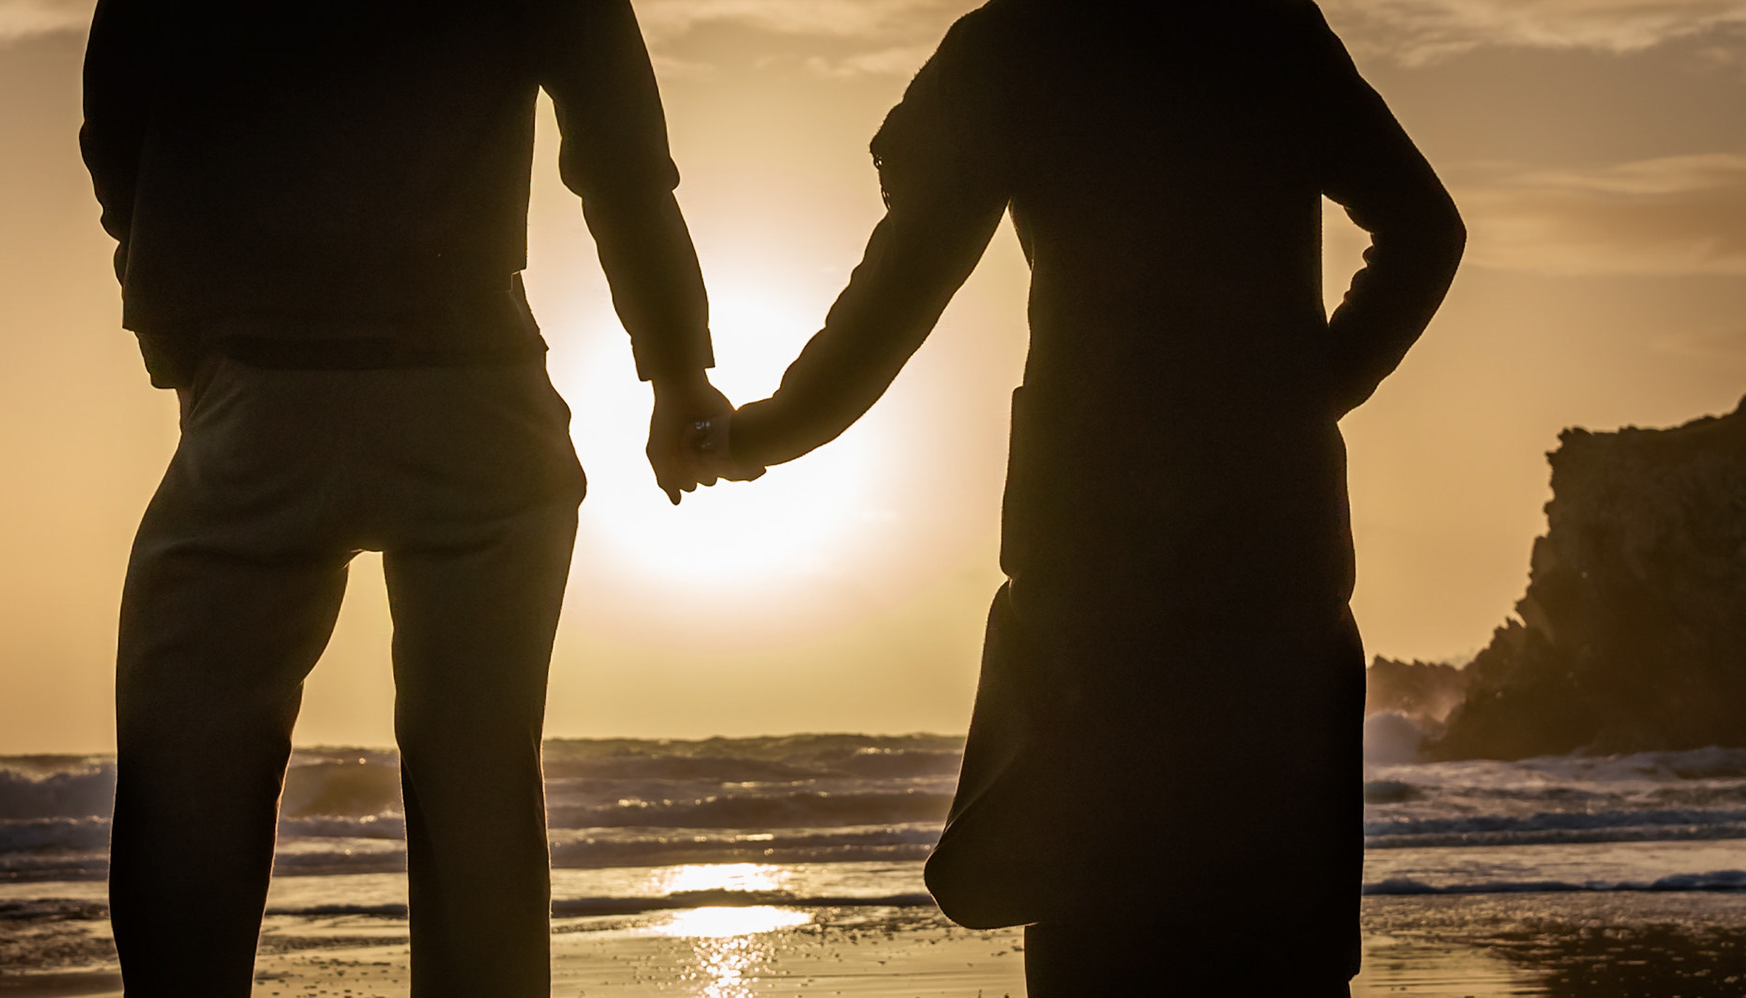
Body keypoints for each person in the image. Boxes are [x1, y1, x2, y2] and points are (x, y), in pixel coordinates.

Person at [703, 0, 1464, 991]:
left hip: (1093, 563)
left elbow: (903, 283)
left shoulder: (1020, 44)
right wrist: (1307, 393)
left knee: (1100, 943)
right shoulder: (1265, 25)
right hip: (1273, 549)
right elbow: (1425, 229)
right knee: (1284, 952)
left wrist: (756, 434)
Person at [79, 2, 726, 994]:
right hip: (471, 389)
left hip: (267, 380)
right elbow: (619, 144)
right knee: (479, 785)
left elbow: (120, 101)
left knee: (190, 769)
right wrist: (676, 368)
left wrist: (170, 315)